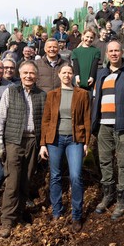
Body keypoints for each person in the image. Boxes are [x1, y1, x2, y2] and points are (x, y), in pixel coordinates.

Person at [0, 60, 46, 238]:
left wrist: (43, 144)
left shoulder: (42, 95)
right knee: (12, 181)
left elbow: (45, 122)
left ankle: (20, 215)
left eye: (32, 73)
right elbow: (0, 117)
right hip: (14, 141)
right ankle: (7, 221)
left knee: (26, 180)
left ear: (36, 76)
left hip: (33, 141)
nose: (29, 76)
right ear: (20, 74)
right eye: (25, 73)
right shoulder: (11, 91)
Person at [92, 40, 124, 219]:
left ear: (122, 52)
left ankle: (122, 199)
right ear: (107, 54)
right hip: (103, 126)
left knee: (123, 162)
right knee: (105, 161)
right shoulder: (101, 74)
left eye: (117, 50)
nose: (114, 53)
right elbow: (95, 99)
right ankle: (108, 194)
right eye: (111, 51)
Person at [39, 64, 90, 231]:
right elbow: (46, 120)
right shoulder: (52, 95)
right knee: (55, 176)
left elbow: (87, 119)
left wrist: (86, 142)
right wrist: (43, 144)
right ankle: (57, 213)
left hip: (75, 140)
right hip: (55, 140)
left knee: (75, 176)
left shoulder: (82, 94)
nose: (67, 75)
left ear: (73, 75)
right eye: (64, 72)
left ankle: (76, 215)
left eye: (70, 72)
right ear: (59, 74)